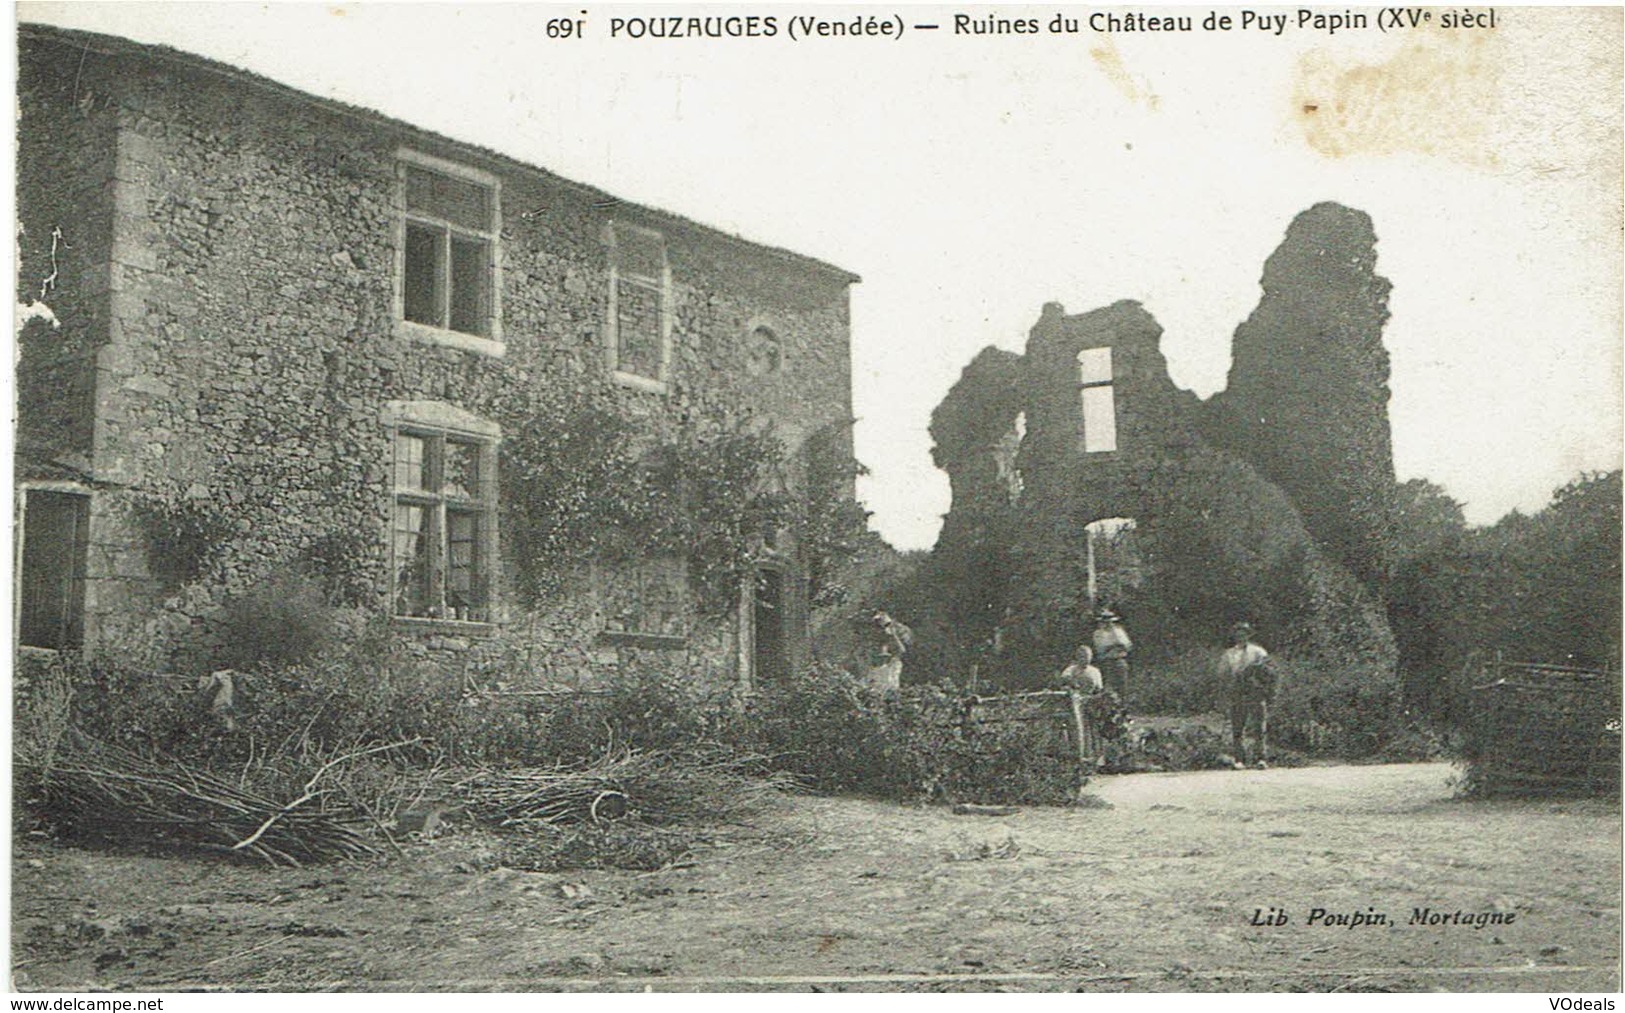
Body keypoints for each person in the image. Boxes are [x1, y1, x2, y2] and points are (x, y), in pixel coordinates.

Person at [1221, 622, 1276, 769]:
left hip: (1255, 691)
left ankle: (1261, 759)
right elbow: (1223, 674)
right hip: (1238, 692)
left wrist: (1262, 684)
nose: (1241, 636)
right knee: (1238, 727)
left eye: (1244, 633)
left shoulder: (1258, 651)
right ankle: (1240, 760)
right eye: (1238, 633)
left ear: (1249, 635)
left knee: (1258, 726)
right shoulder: (1229, 654)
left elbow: (1268, 670)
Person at [862, 609, 911, 692]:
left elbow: (901, 650)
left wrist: (893, 633)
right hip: (876, 687)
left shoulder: (893, 663)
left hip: (889, 688)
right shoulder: (873, 667)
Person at [1091, 609, 1133, 700]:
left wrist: (1116, 645)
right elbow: (1100, 649)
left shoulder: (1119, 632)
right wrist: (1114, 646)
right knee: (1107, 686)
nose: (1108, 624)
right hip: (1106, 662)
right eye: (1105, 622)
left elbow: (1127, 646)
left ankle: (1123, 708)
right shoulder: (1098, 633)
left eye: (1110, 622)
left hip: (1119, 660)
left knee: (1122, 686)